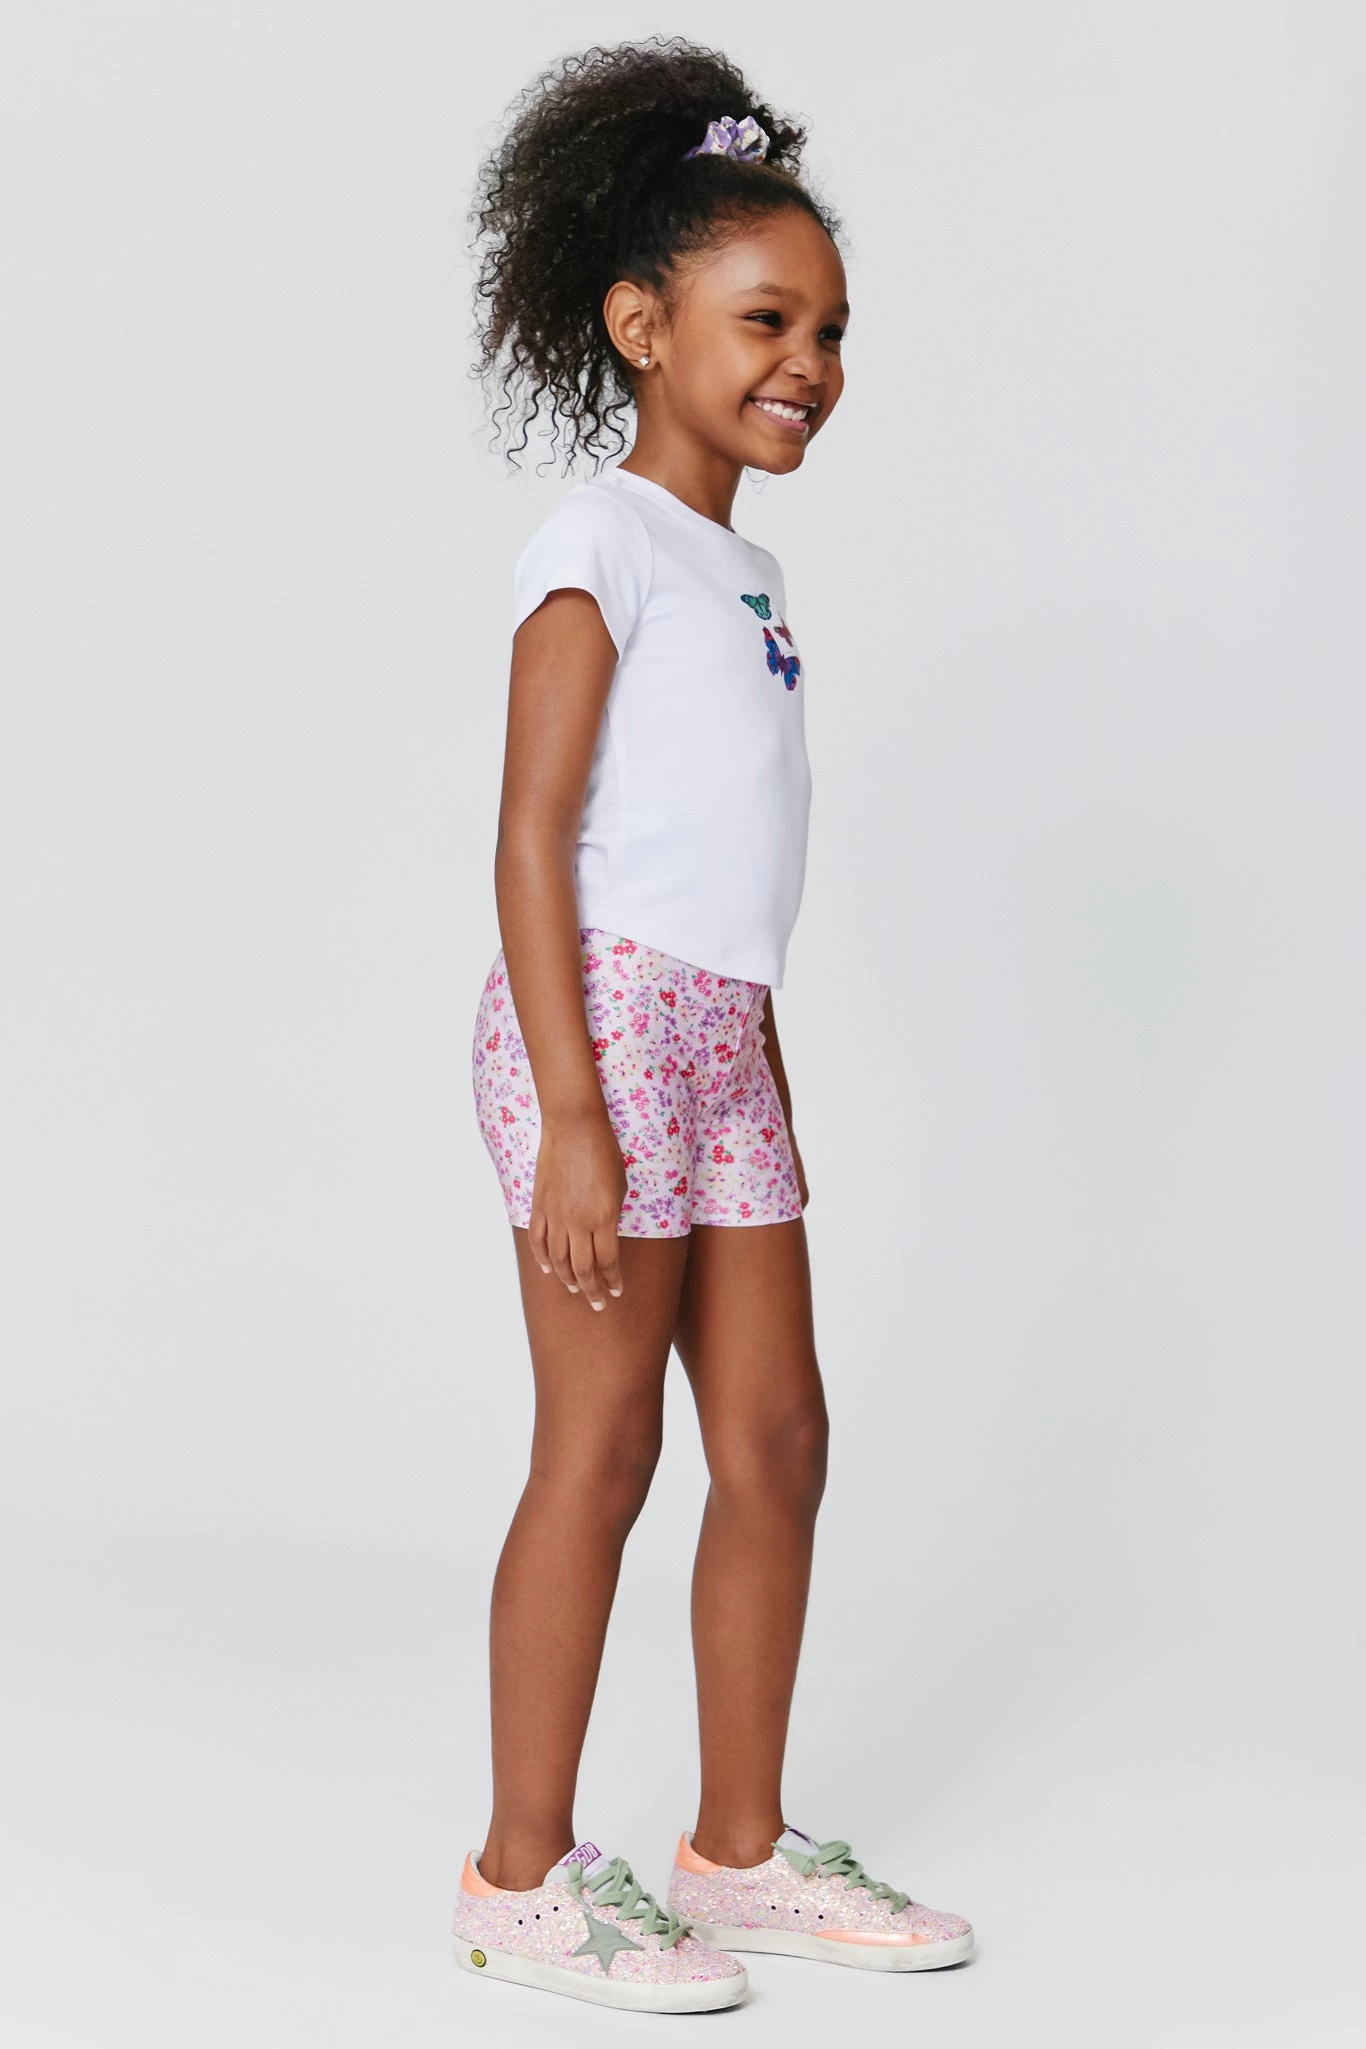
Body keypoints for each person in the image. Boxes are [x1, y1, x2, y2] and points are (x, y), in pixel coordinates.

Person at [453, 37, 974, 2015]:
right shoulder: (596, 542)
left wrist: (752, 1062)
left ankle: (735, 1852)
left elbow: (724, 862)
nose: (808, 362)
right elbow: (533, 832)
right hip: (595, 1034)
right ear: (639, 323)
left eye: (829, 331)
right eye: (768, 320)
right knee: (600, 1449)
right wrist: (573, 1114)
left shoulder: (739, 564)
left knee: (774, 1437)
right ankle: (519, 1878)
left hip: (724, 1040)